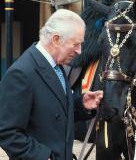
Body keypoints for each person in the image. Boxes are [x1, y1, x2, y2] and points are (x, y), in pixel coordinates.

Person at [0, 9, 103, 160]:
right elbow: (7, 132)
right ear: (56, 40)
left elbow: (51, 113)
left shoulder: (57, 66)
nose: (80, 51)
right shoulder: (21, 74)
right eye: (76, 44)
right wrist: (44, 157)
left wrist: (81, 105)